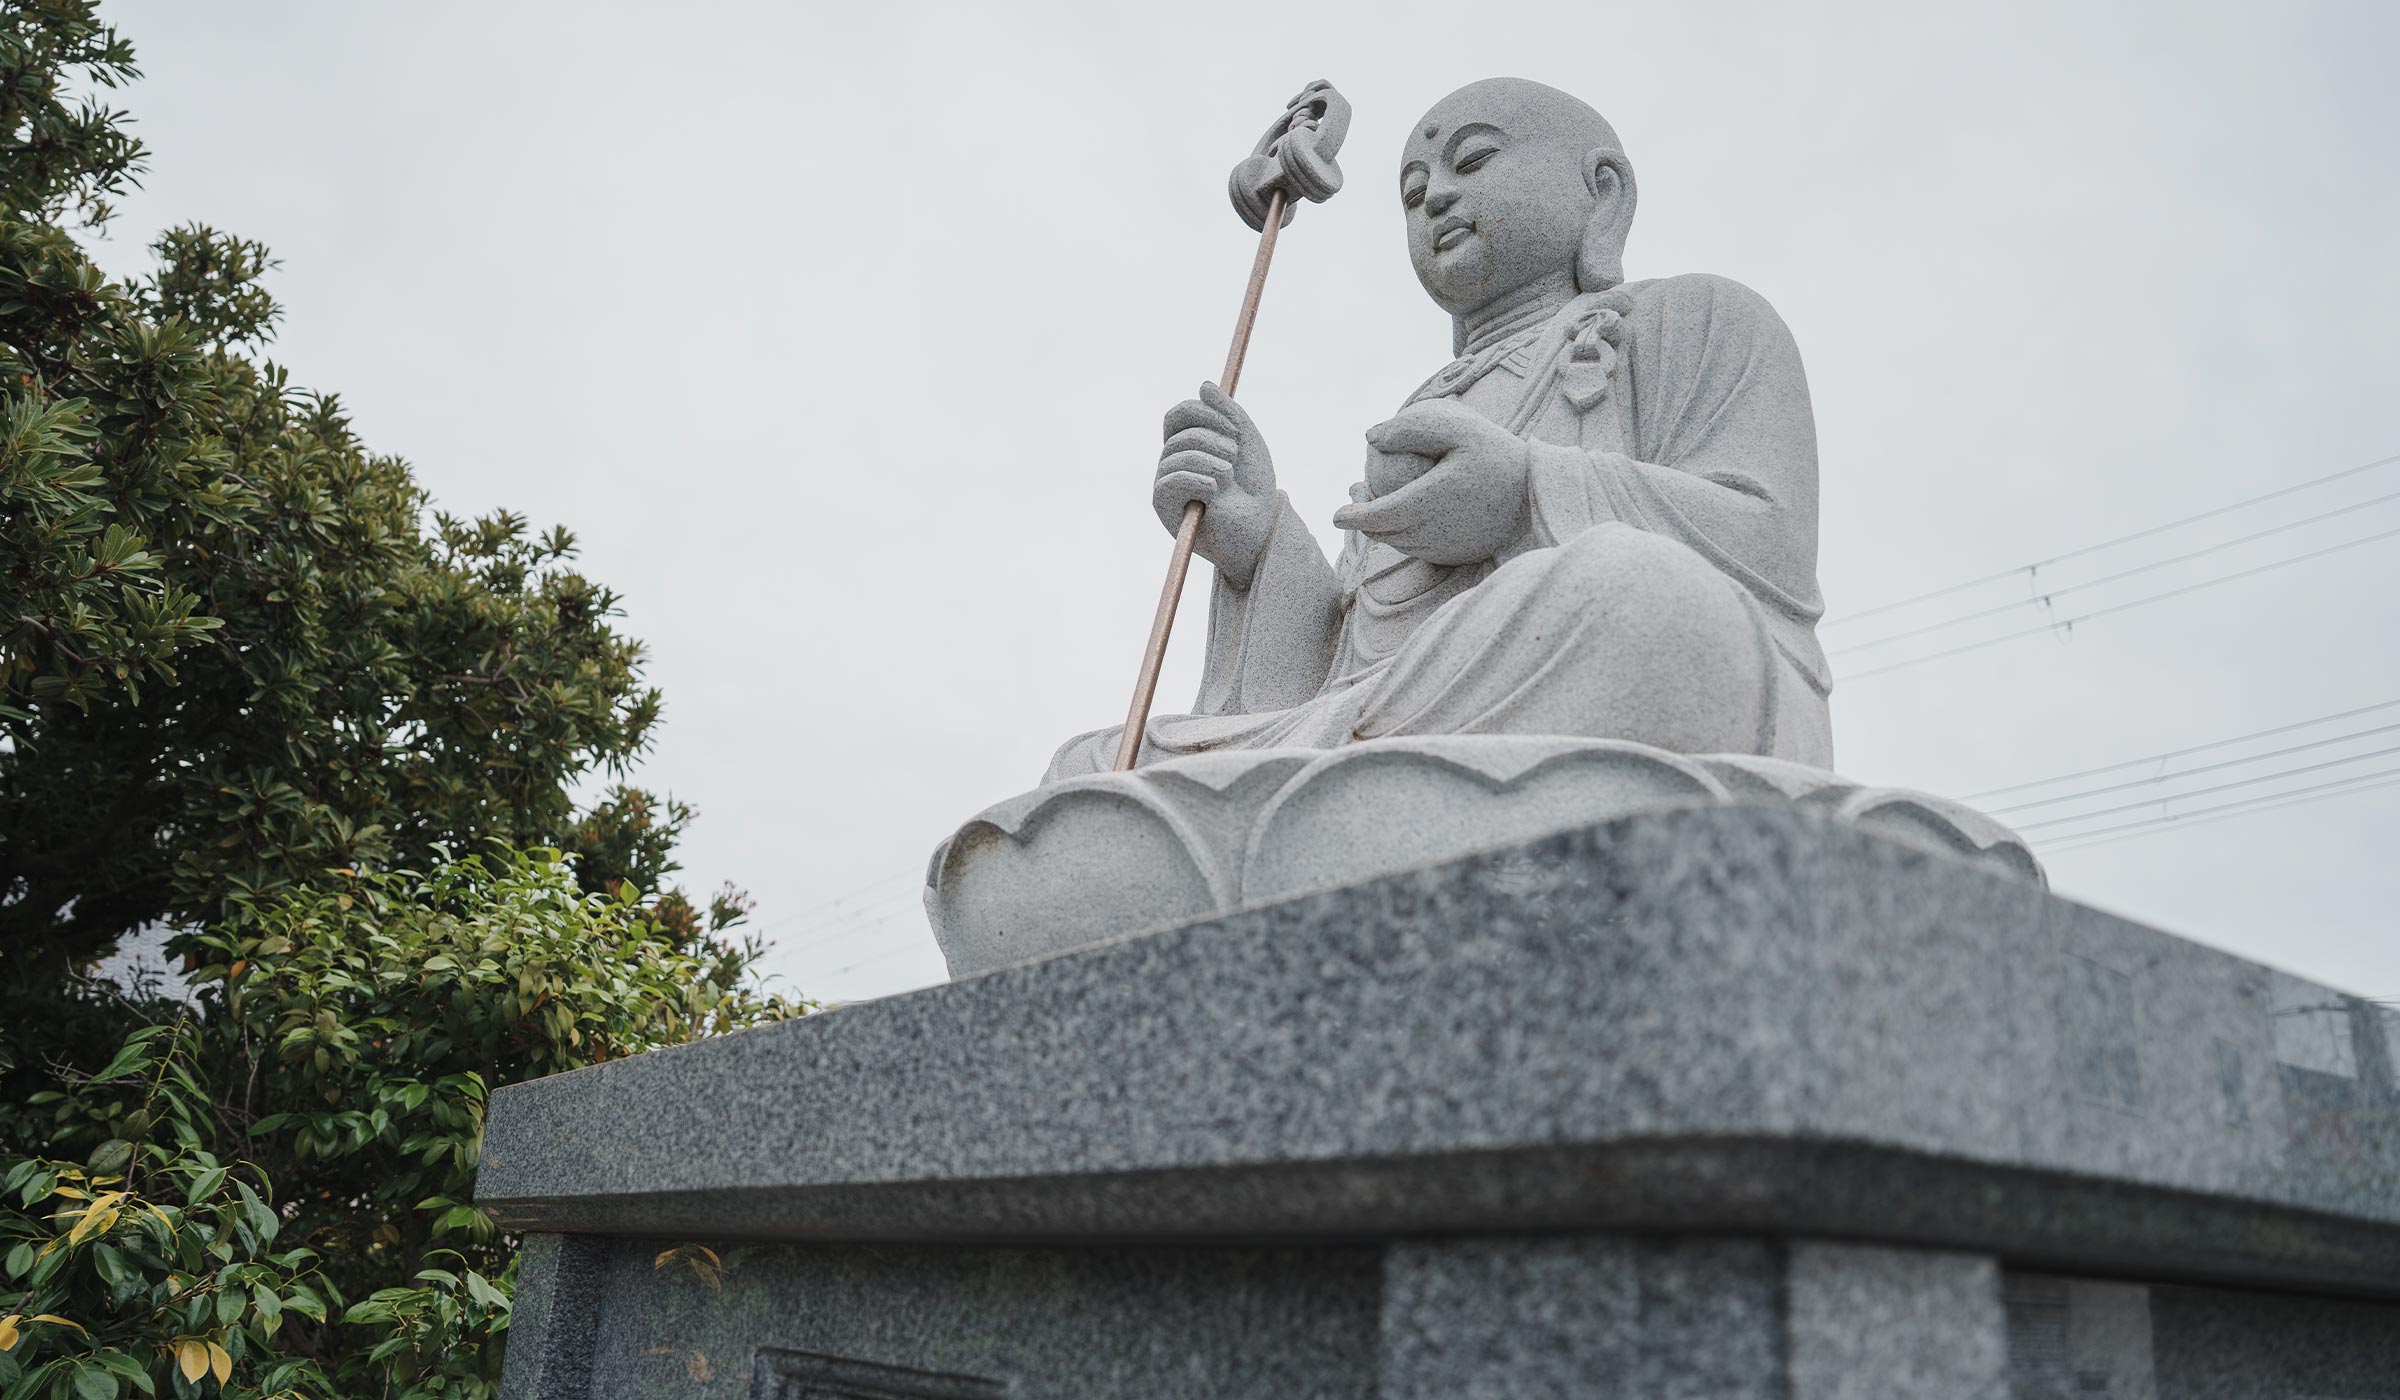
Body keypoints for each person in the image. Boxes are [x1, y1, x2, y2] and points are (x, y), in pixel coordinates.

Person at [1048, 77, 1833, 782]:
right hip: (1375, 730)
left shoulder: (1691, 319)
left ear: (1602, 193)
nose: (1433, 199)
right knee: (1088, 772)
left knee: (1633, 600)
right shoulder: (1425, 402)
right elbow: (1344, 677)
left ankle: (1335, 801)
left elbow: (1771, 545)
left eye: (1474, 160)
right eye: (1413, 190)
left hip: (1610, 663)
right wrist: (1257, 547)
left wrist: (1525, 492)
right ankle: (1344, 798)